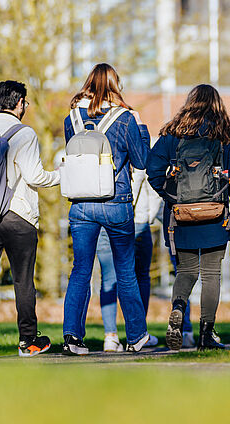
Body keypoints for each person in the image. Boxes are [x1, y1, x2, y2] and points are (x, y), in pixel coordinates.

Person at [147, 84, 230, 351]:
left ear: (189, 104)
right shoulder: (222, 137)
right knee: (211, 275)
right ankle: (206, 335)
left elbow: (153, 169)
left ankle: (179, 307)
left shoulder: (173, 136)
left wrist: (173, 196)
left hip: (182, 217)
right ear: (217, 106)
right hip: (215, 217)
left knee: (186, 271)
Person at [61, 63, 153, 355]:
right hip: (117, 202)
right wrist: (141, 127)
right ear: (116, 85)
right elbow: (141, 162)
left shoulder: (71, 119)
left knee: (80, 271)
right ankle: (136, 336)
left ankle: (73, 337)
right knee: (126, 271)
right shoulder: (125, 118)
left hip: (82, 205)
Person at [0, 80, 60, 358]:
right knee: (23, 280)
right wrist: (62, 176)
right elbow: (34, 177)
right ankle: (28, 341)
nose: (26, 107)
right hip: (17, 216)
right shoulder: (24, 133)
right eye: (25, 103)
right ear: (19, 104)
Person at [93, 168, 161, 352]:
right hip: (137, 220)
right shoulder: (135, 146)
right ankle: (138, 333)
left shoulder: (98, 146)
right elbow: (152, 186)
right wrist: (149, 216)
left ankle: (111, 336)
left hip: (102, 219)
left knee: (108, 279)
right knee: (140, 277)